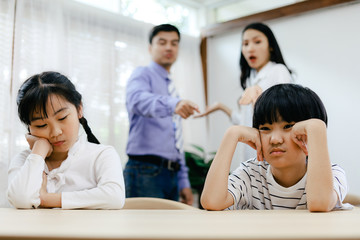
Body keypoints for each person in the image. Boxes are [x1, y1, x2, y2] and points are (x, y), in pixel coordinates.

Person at [201, 83, 348, 211]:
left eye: (288, 126)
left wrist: (317, 129)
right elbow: (212, 202)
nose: (275, 139)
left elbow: (319, 203)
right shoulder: (252, 173)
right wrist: (232, 134)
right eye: (265, 128)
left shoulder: (332, 173)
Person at [7, 71, 125, 209]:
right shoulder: (24, 160)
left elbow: (114, 197)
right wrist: (39, 150)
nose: (56, 132)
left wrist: (46, 199)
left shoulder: (102, 155)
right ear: (29, 128)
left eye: (62, 118)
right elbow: (20, 199)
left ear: (79, 109)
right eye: (41, 125)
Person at [124, 24, 199, 205]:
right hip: (145, 171)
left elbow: (176, 139)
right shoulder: (142, 74)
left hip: (171, 175)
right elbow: (137, 100)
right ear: (150, 48)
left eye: (174, 43)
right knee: (144, 233)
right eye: (162, 42)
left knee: (168, 233)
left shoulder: (172, 90)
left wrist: (183, 181)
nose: (168, 47)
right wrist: (173, 104)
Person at [196, 22, 292, 125]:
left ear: (271, 46)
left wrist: (259, 97)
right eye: (245, 44)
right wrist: (220, 106)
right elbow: (245, 122)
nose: (250, 49)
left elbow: (286, 113)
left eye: (257, 42)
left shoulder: (278, 70)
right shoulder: (250, 79)